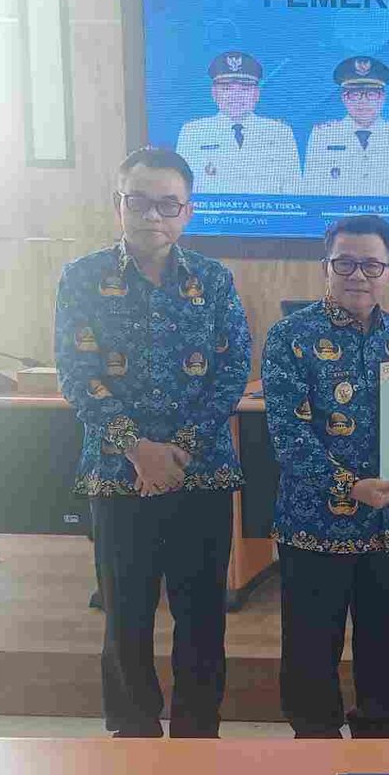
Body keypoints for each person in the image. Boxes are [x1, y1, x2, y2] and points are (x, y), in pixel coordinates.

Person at [54, 146, 252, 737]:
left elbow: (232, 369)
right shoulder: (82, 278)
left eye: (168, 204)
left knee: (202, 616)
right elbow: (77, 374)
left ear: (187, 210)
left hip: (202, 473)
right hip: (118, 474)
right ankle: (134, 732)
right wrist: (138, 450)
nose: (152, 216)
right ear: (118, 204)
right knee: (126, 613)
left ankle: (197, 732)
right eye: (139, 202)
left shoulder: (213, 279)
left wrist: (180, 449)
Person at [262, 215, 389, 738]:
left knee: (384, 641)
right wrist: (349, 487)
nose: (359, 275)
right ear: (326, 267)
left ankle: (378, 733)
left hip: (387, 527)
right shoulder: (290, 337)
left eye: (371, 265)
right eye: (346, 263)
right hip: (315, 526)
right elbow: (288, 434)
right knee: (312, 647)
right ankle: (315, 742)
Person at [175, 51, 302, 194]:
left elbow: (294, 191)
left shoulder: (280, 132)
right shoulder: (193, 132)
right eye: (226, 89)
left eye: (244, 89)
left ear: (256, 94)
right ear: (214, 93)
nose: (235, 96)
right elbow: (182, 190)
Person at [301, 56, 389, 197]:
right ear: (344, 98)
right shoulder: (323, 134)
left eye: (371, 94)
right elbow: (311, 191)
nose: (363, 102)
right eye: (355, 94)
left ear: (383, 98)